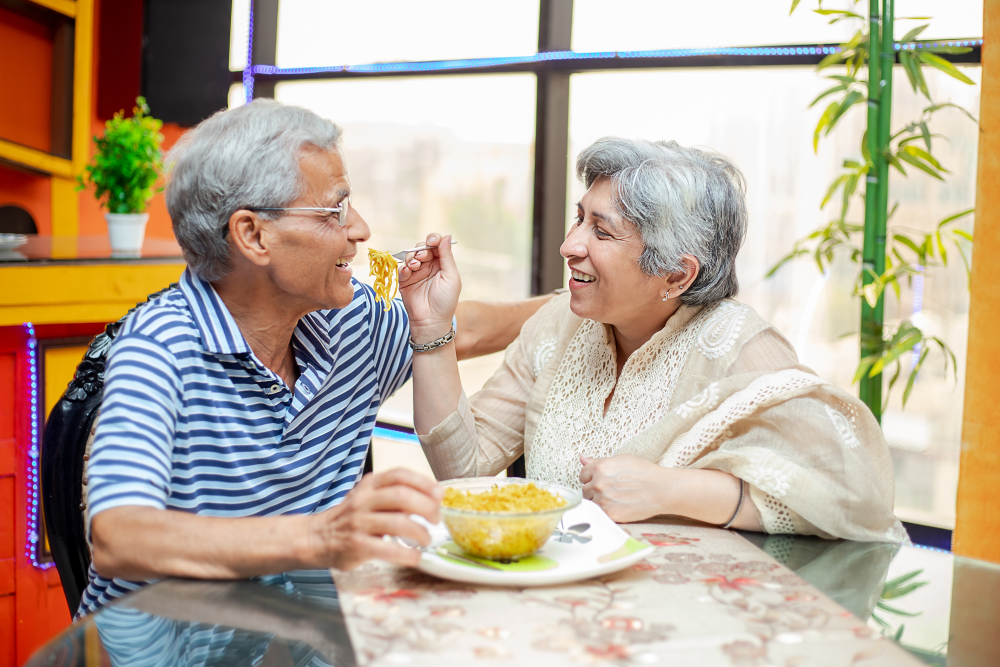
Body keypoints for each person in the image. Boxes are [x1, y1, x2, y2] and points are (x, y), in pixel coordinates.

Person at [82, 99, 548, 615]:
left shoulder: (345, 323)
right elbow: (119, 538)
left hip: (301, 636)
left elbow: (459, 328)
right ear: (254, 235)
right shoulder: (159, 347)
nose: (362, 230)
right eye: (336, 210)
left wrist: (573, 303)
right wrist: (320, 536)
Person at [406, 137, 907, 542]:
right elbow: (462, 468)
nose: (569, 245)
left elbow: (854, 497)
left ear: (674, 275)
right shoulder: (558, 324)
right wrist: (430, 328)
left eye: (601, 232)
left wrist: (674, 490)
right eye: (580, 217)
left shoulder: (736, 345)